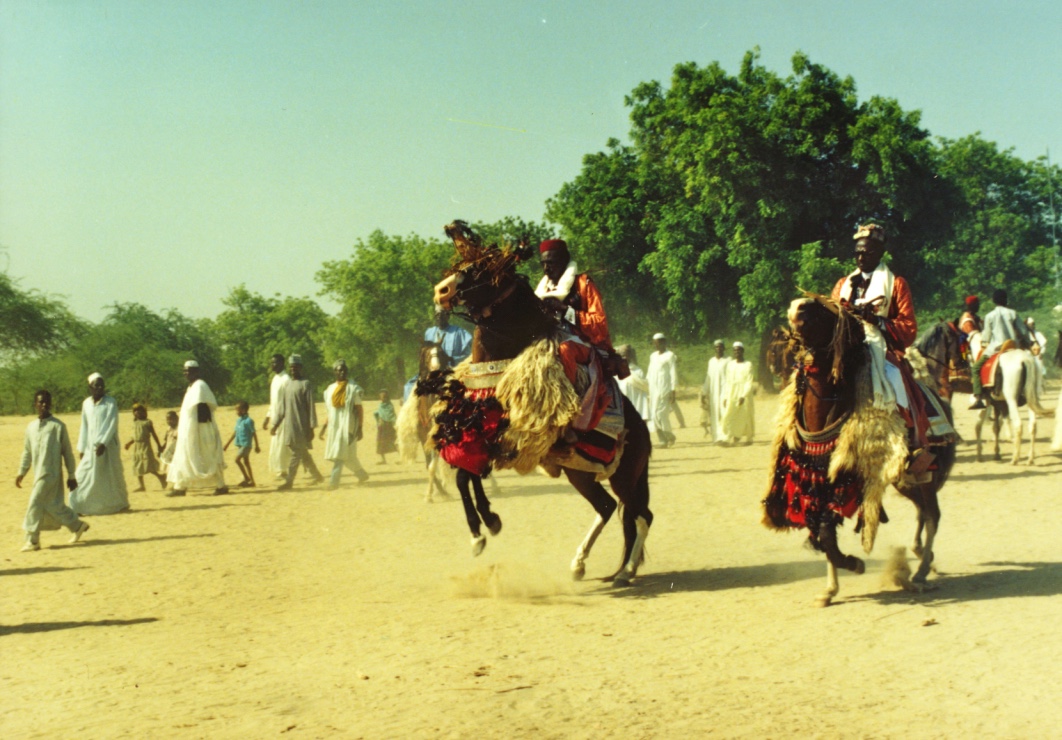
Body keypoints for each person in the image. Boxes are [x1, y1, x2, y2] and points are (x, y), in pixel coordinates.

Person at [831, 223, 929, 449]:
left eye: (868, 252)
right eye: (858, 252)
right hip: (843, 344)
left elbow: (909, 327)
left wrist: (877, 321)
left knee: (895, 378)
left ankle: (909, 436)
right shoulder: (843, 285)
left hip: (879, 345)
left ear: (880, 253)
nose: (861, 257)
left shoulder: (896, 284)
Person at [16, 390, 90, 551]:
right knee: (52, 505)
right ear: (35, 404)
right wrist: (21, 472)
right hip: (38, 474)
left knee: (34, 502)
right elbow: (27, 452)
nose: (44, 405)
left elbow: (67, 452)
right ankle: (77, 525)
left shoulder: (58, 426)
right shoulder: (31, 428)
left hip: (52, 475)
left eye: (46, 402)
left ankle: (33, 540)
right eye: (40, 402)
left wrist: (71, 475)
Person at [536, 238, 614, 352]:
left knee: (565, 350)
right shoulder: (543, 292)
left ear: (564, 261)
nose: (546, 269)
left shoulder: (583, 284)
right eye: (543, 264)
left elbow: (600, 326)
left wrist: (565, 310)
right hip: (551, 343)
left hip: (585, 346)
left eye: (550, 263)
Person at [70, 373, 130, 515]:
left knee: (111, 475)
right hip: (91, 447)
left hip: (108, 446)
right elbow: (84, 425)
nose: (100, 388)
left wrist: (103, 443)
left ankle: (119, 505)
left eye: (102, 385)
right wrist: (82, 447)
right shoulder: (86, 403)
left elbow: (112, 424)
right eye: (97, 385)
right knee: (82, 474)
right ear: (90, 387)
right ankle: (79, 506)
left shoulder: (111, 402)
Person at [168, 360, 229, 497]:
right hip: (190, 429)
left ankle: (221, 486)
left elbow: (204, 409)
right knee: (184, 455)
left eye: (189, 371)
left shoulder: (200, 386)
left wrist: (194, 429)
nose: (186, 373)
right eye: (184, 371)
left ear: (196, 371)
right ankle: (180, 487)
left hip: (202, 428)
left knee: (209, 456)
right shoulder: (192, 387)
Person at [969, 289, 1030, 407]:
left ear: (994, 301)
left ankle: (979, 398)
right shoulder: (1013, 313)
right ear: (1006, 300)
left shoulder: (989, 316)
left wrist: (984, 342)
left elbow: (986, 336)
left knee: (976, 368)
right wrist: (1028, 342)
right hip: (1013, 346)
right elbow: (1023, 331)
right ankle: (1022, 393)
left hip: (995, 348)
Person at [272, 354, 324, 490]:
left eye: (296, 367)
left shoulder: (305, 384)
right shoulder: (288, 385)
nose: (293, 369)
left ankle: (289, 481)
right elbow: (282, 408)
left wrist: (312, 428)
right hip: (289, 426)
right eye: (291, 367)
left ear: (300, 368)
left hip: (302, 426)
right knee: (302, 453)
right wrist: (275, 424)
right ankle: (317, 476)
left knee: (296, 454)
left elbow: (311, 406)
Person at [320, 359, 370, 489]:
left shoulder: (353, 389)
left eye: (344, 369)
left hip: (349, 426)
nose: (342, 372)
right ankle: (362, 475)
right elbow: (329, 412)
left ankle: (333, 482)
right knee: (348, 456)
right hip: (334, 427)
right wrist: (323, 428)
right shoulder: (329, 390)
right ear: (334, 372)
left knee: (339, 454)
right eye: (339, 370)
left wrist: (360, 428)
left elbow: (359, 409)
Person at [263, 353, 293, 480]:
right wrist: (267, 417)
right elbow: (273, 401)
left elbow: (288, 401)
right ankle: (282, 470)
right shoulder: (275, 379)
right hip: (275, 416)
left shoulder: (286, 379)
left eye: (275, 362)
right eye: (271, 362)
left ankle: (283, 471)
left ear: (282, 363)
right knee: (278, 445)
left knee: (283, 445)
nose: (272, 365)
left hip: (285, 418)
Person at [124, 402, 165, 491]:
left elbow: (154, 435)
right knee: (137, 465)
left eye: (140, 410)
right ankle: (141, 486)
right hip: (137, 446)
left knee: (148, 464)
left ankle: (161, 477)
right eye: (135, 411)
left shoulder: (147, 422)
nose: (137, 412)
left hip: (145, 445)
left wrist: (159, 446)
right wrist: (129, 443)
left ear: (144, 412)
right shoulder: (135, 423)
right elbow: (135, 436)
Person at [721, 342, 756, 445]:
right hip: (732, 392)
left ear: (743, 351)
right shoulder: (730, 364)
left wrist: (743, 395)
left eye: (739, 350)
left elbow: (749, 381)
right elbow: (727, 381)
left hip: (744, 393)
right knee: (729, 414)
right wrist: (726, 396)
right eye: (735, 350)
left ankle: (749, 439)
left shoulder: (748, 364)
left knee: (746, 415)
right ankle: (728, 437)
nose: (737, 352)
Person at [647, 333, 678, 447]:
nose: (657, 345)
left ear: (664, 342)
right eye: (655, 343)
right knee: (654, 415)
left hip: (665, 389)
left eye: (660, 342)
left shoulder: (670, 355)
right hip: (653, 390)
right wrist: (647, 391)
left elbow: (673, 373)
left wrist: (673, 390)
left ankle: (668, 436)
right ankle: (664, 439)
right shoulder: (653, 356)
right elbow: (649, 374)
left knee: (661, 414)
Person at [223, 401, 260, 488]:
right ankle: (252, 481)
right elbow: (235, 433)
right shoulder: (239, 420)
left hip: (246, 445)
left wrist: (257, 446)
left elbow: (254, 433)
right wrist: (227, 444)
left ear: (243, 410)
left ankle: (247, 478)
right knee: (246, 462)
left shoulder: (249, 421)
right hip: (240, 444)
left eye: (237, 410)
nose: (236, 412)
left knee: (237, 460)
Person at [702, 340, 731, 443]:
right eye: (717, 347)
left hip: (724, 390)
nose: (718, 349)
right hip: (714, 392)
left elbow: (730, 378)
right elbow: (708, 377)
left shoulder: (728, 360)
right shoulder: (711, 361)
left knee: (724, 413)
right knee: (714, 414)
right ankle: (716, 437)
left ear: (724, 348)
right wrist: (704, 392)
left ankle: (724, 437)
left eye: (720, 347)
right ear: (714, 349)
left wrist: (728, 394)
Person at [616, 344, 650, 421]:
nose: (624, 357)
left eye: (625, 355)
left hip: (636, 407)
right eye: (622, 355)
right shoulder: (617, 371)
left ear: (630, 356)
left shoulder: (638, 371)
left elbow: (644, 390)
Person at [374, 390, 398, 463]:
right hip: (382, 427)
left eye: (384, 397)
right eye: (381, 397)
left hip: (389, 427)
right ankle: (383, 460)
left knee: (394, 442)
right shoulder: (380, 405)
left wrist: (395, 424)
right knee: (381, 443)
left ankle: (402, 458)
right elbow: (378, 414)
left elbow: (392, 416)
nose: (382, 398)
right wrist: (378, 419)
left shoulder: (390, 406)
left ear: (387, 397)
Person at [1026, 316, 1047, 396]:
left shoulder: (1038, 334)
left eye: (1032, 324)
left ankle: (1038, 393)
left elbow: (1043, 345)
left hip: (1037, 356)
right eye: (1029, 324)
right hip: (1027, 357)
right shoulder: (1025, 335)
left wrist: (1041, 353)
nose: (1031, 326)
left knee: (1038, 375)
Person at [158, 410, 178, 477]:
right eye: (167, 420)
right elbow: (166, 440)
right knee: (168, 467)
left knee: (175, 467)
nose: (169, 421)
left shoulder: (179, 429)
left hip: (176, 451)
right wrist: (161, 449)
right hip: (168, 450)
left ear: (176, 419)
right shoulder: (168, 429)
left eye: (171, 419)